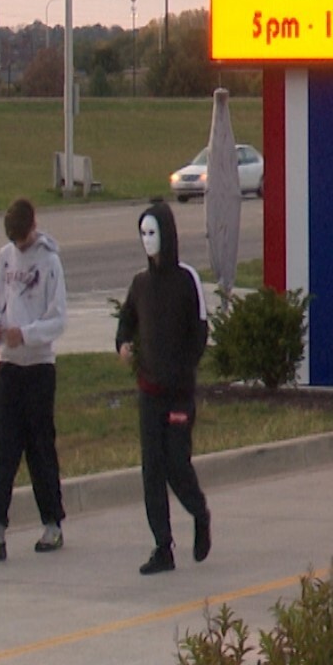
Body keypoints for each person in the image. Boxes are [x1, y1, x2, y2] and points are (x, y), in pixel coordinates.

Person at [0, 198, 68, 561]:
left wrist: (25, 334)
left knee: (40, 447)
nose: (19, 245)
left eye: (22, 238)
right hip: (9, 366)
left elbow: (58, 320)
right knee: (4, 449)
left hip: (39, 367)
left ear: (32, 227)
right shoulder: (4, 257)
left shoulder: (49, 262)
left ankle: (52, 524)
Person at [115, 202, 211, 576]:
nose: (147, 241)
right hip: (149, 392)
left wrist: (182, 370)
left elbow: (199, 332)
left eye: (153, 233)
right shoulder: (140, 284)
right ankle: (162, 546)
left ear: (167, 235)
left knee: (176, 464)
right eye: (142, 235)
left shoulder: (187, 279)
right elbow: (126, 323)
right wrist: (123, 344)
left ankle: (199, 513)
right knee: (151, 469)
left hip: (178, 393)